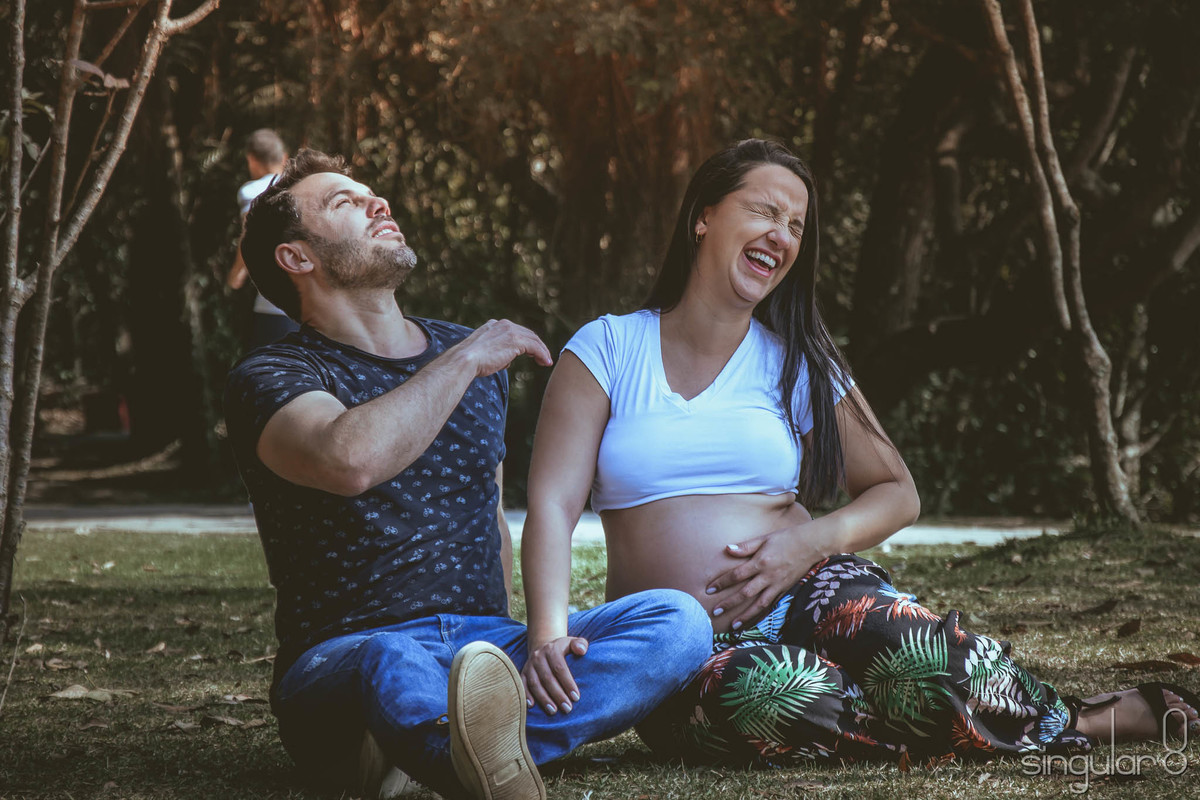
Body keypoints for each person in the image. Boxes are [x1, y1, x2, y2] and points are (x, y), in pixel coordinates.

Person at [520, 138, 1200, 768]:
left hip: (813, 593)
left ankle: (1086, 718)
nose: (782, 236)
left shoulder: (797, 365)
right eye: (765, 210)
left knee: (917, 656)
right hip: (687, 653)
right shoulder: (608, 348)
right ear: (703, 217)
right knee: (779, 695)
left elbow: (897, 490)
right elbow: (551, 502)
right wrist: (549, 632)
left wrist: (804, 546)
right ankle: (942, 723)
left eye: (795, 227)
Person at [223, 148, 712, 799]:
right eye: (344, 202)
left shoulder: (474, 359)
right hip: (345, 655)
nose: (379, 204)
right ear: (296, 257)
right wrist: (462, 360)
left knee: (678, 622)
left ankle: (436, 751)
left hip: (485, 653)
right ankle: (467, 755)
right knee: (389, 661)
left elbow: (491, 519)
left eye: (373, 193)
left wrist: (534, 645)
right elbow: (348, 460)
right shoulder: (276, 374)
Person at [227, 128, 300, 348]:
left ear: (252, 160)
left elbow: (250, 237)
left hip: (275, 307)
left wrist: (236, 273)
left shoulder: (254, 190)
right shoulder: (303, 186)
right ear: (284, 158)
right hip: (316, 303)